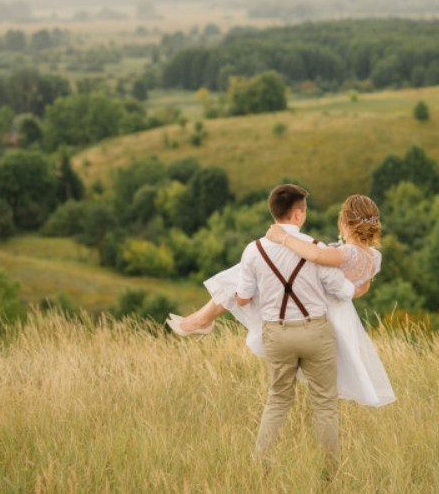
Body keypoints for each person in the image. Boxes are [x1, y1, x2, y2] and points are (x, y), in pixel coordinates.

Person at [166, 185, 395, 462]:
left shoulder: (333, 253)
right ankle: (329, 470)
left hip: (299, 321)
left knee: (278, 398)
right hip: (325, 321)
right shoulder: (373, 258)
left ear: (344, 222)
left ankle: (202, 319)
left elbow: (318, 257)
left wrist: (282, 238)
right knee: (324, 404)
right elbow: (359, 289)